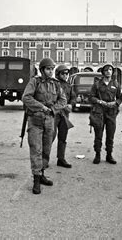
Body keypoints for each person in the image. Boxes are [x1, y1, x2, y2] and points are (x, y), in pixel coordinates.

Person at [22, 58, 67, 195]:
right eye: (48, 69)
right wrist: (42, 107)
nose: (51, 71)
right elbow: (26, 97)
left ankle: (41, 174)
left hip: (49, 121)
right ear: (42, 70)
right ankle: (36, 179)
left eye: (52, 69)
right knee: (36, 149)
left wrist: (53, 109)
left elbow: (63, 100)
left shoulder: (56, 84)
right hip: (35, 120)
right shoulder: (34, 82)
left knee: (46, 149)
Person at [89, 63, 122, 164]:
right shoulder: (97, 84)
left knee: (110, 135)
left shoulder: (116, 84)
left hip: (111, 112)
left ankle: (109, 155)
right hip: (99, 112)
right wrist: (99, 101)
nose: (108, 72)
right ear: (103, 72)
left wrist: (115, 103)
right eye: (106, 70)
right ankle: (97, 154)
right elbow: (91, 97)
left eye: (110, 70)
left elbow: (121, 98)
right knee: (98, 134)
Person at [54, 64, 76, 168]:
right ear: (58, 74)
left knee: (63, 137)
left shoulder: (68, 86)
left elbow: (73, 97)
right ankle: (44, 159)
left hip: (65, 115)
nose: (66, 75)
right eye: (63, 73)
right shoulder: (53, 84)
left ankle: (61, 158)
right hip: (54, 114)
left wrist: (71, 105)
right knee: (49, 137)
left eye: (67, 73)